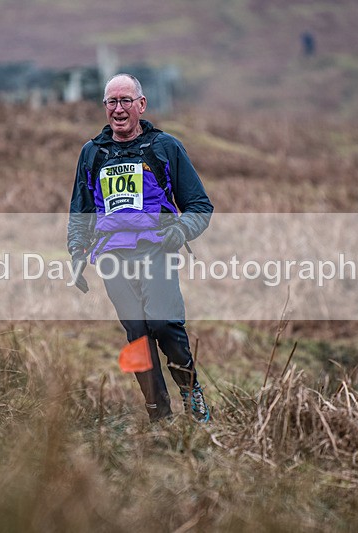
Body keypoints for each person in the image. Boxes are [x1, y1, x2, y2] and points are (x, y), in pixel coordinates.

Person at [67, 73, 214, 423]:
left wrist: (181, 231)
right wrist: (76, 253)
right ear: (105, 106)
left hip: (157, 249)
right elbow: (80, 213)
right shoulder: (92, 153)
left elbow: (200, 206)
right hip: (111, 256)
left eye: (125, 101)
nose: (118, 109)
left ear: (141, 105)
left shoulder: (165, 147)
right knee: (137, 335)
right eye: (112, 102)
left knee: (163, 324)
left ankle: (191, 391)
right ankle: (159, 417)